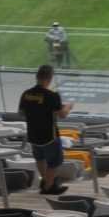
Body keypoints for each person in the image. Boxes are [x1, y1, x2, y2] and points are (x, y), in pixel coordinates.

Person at [20, 64, 72, 194]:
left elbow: (21, 113)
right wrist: (69, 107)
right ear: (50, 78)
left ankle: (48, 182)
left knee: (40, 159)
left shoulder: (26, 94)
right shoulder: (52, 95)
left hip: (33, 134)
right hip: (49, 136)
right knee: (54, 162)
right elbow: (62, 115)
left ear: (37, 77)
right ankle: (48, 187)